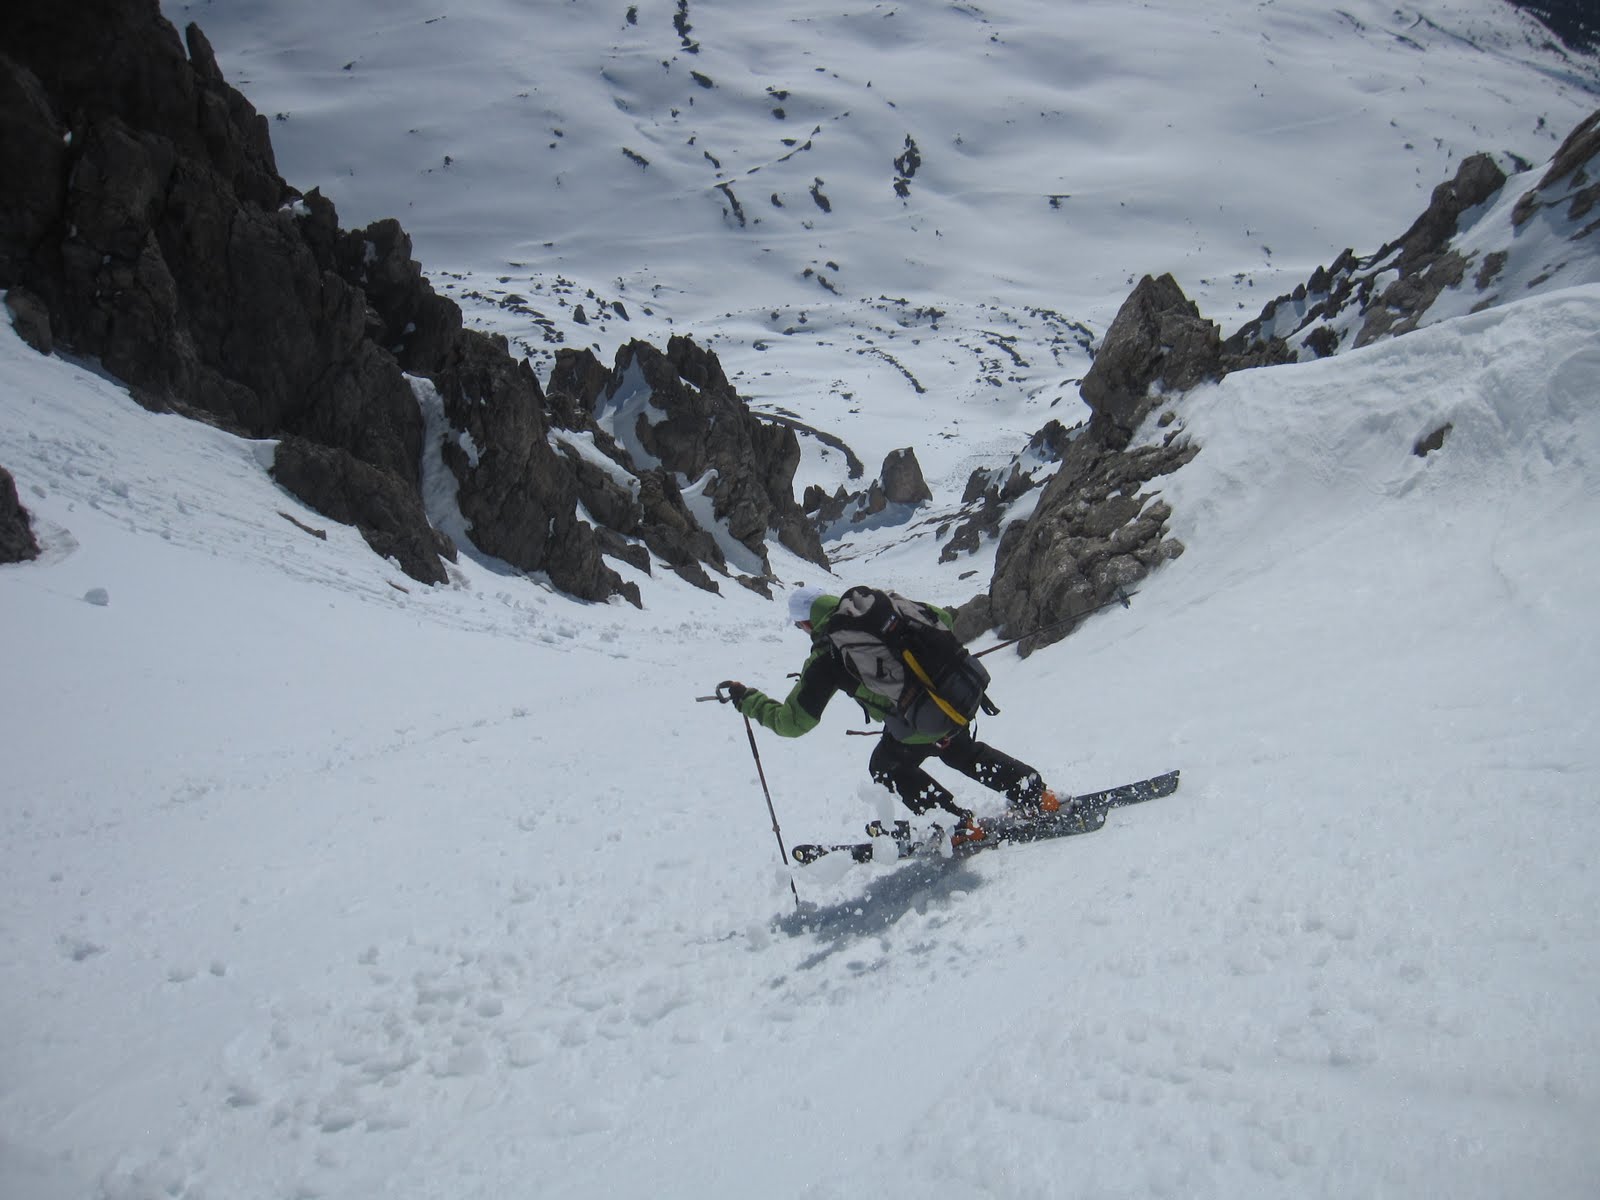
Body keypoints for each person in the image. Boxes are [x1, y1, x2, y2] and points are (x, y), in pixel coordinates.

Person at [719, 586, 1063, 847]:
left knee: (886, 766)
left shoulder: (828, 654)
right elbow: (940, 619)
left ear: (807, 623)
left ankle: (960, 827)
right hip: (953, 696)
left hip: (916, 724)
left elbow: (793, 723)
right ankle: (1037, 794)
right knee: (961, 751)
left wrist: (748, 699)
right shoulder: (882, 605)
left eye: (799, 627)